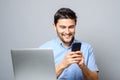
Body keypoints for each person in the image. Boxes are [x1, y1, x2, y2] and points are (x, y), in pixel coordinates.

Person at [40, 7, 99, 80]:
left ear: (75, 26)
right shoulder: (44, 49)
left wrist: (83, 66)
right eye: (63, 27)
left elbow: (95, 79)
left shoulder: (87, 48)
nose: (67, 32)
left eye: (71, 27)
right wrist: (62, 65)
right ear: (55, 26)